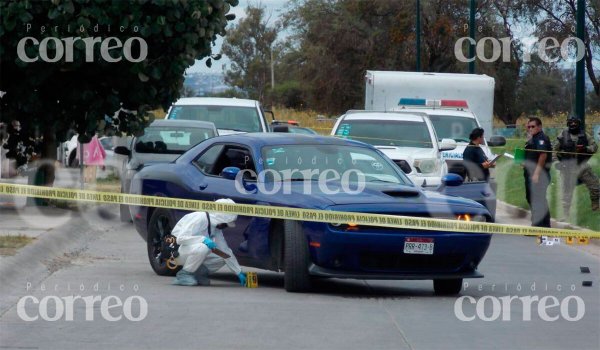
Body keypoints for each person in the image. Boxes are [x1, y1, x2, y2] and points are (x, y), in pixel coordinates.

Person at [171, 198, 247, 286]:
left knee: (224, 256)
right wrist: (203, 239)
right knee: (203, 247)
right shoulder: (199, 217)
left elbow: (225, 250)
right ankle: (184, 274)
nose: (225, 227)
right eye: (225, 224)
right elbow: (180, 239)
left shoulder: (215, 227)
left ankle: (197, 274)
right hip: (176, 253)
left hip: (190, 251)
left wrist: (238, 272)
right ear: (220, 218)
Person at [554, 117, 599, 216]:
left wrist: (585, 148)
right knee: (566, 194)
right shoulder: (562, 135)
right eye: (571, 123)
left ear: (579, 124)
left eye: (575, 123)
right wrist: (557, 163)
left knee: (595, 187)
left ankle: (595, 207)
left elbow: (595, 147)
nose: (573, 124)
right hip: (567, 167)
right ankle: (565, 215)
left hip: (582, 166)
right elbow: (553, 150)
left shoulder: (585, 135)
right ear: (568, 124)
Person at [523, 117, 552, 228]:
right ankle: (545, 225)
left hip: (539, 175)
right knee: (534, 198)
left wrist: (536, 173)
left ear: (539, 127)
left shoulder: (541, 138)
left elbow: (543, 155)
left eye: (533, 126)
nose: (530, 128)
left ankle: (537, 225)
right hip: (530, 173)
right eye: (528, 126)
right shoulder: (533, 138)